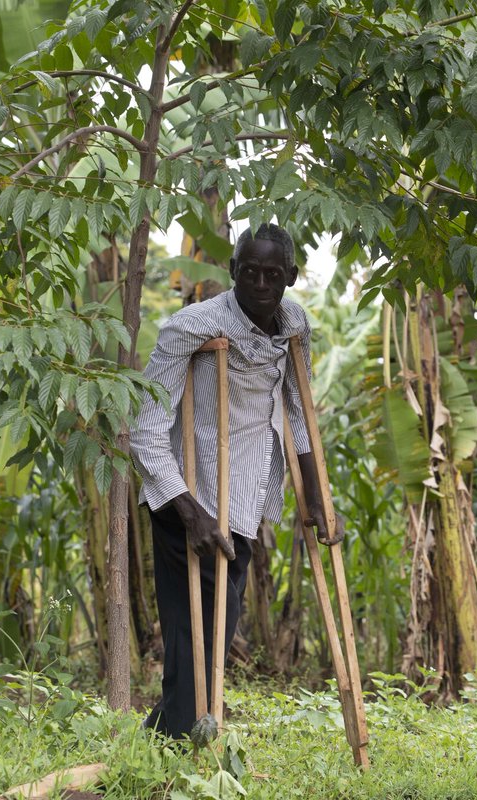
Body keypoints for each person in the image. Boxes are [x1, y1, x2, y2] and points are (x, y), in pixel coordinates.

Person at [131, 223, 344, 739]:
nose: (261, 283)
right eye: (250, 271)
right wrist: (191, 512)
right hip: (187, 504)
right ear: (233, 272)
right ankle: (177, 750)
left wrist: (314, 501)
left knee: (213, 639)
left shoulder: (294, 325)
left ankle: (162, 741)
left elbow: (298, 411)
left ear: (291, 277)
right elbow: (144, 432)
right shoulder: (191, 326)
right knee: (193, 639)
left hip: (243, 505)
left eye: (273, 274)